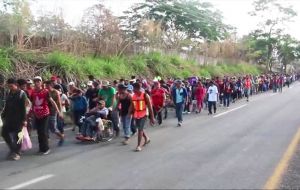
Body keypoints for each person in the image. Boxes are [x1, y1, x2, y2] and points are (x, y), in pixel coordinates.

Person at [31, 76, 61, 155]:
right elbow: (32, 103)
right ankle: (41, 148)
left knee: (43, 131)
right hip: (37, 114)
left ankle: (46, 148)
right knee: (39, 132)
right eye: (35, 81)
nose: (37, 83)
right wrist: (31, 113)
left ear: (41, 83)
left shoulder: (45, 92)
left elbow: (52, 102)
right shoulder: (33, 92)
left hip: (45, 114)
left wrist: (58, 111)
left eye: (38, 81)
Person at [1, 78, 27, 160]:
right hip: (9, 118)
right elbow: (7, 106)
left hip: (19, 119)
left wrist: (24, 120)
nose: (10, 88)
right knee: (4, 133)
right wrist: (3, 116)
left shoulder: (22, 94)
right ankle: (13, 149)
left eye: (11, 86)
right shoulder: (9, 93)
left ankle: (17, 152)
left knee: (19, 136)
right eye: (9, 86)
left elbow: (24, 108)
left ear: (16, 85)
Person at [132, 82, 155, 152]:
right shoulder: (134, 95)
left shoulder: (145, 95)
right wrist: (131, 113)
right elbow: (132, 105)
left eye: (134, 88)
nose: (133, 90)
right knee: (139, 128)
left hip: (144, 114)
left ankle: (138, 145)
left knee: (140, 129)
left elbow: (150, 107)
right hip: (136, 114)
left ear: (137, 88)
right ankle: (147, 138)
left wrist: (152, 118)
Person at [45, 81, 64, 146]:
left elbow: (59, 103)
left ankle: (61, 136)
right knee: (45, 127)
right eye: (46, 85)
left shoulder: (55, 92)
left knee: (53, 128)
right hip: (46, 111)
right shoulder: (46, 92)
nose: (46, 86)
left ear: (51, 85)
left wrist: (60, 112)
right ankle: (46, 141)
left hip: (54, 111)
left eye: (48, 85)